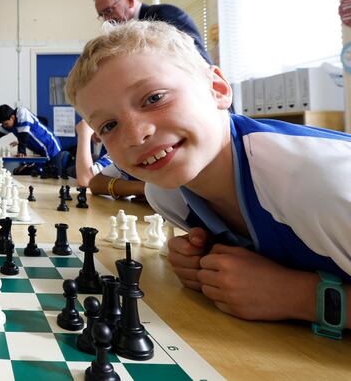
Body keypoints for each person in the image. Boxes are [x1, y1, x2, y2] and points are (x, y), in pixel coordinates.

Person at [65, 20, 351, 331]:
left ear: (218, 89)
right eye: (108, 126)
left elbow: (287, 287)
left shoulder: (322, 183)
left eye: (154, 98)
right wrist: (205, 264)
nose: (136, 135)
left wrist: (302, 298)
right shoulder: (167, 194)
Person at [93, 0, 212, 64]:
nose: (107, 19)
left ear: (129, 1)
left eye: (109, 10)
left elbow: (196, 57)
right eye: (102, 15)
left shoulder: (163, 14)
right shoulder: (125, 35)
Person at [0, 104, 69, 178]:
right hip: (40, 152)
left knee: (56, 179)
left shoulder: (22, 112)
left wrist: (21, 151)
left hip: (51, 147)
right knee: (32, 175)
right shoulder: (10, 124)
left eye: (6, 123)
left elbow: (24, 134)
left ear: (12, 117)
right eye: (3, 124)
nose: (5, 126)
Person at [75, 120, 146, 200]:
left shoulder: (134, 148)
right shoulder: (126, 154)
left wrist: (84, 133)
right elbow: (94, 183)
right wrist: (143, 188)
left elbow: (85, 179)